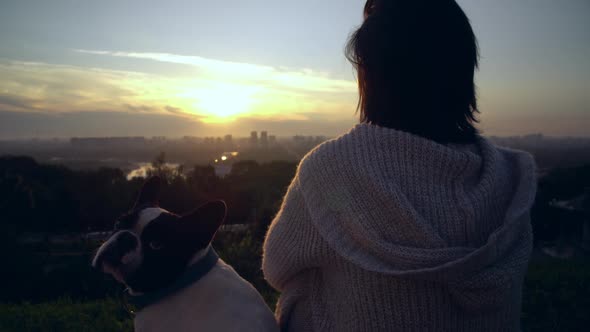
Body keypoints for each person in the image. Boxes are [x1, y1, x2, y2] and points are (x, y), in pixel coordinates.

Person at [262, 0, 537, 331]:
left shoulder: (331, 171)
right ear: (464, 70)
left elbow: (276, 267)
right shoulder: (510, 180)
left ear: (373, 77)